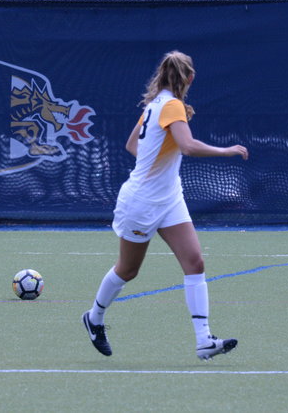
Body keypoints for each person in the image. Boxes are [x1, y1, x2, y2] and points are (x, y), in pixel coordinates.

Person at [81, 51, 249, 360]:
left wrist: (157, 166)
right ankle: (94, 318)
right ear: (190, 78)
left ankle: (204, 340)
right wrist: (226, 151)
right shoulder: (169, 105)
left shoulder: (156, 105)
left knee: (195, 262)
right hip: (141, 202)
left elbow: (132, 145)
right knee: (128, 270)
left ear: (162, 74)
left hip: (170, 198)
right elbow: (187, 146)